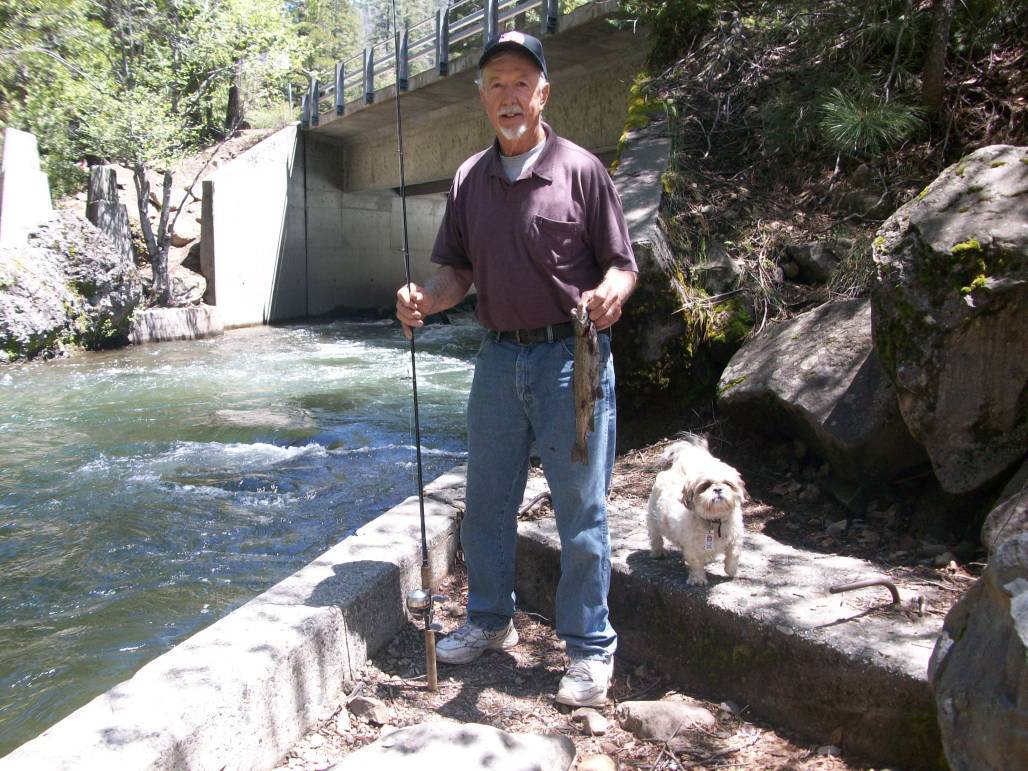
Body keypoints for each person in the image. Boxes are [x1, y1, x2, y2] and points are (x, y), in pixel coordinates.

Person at [395, 30, 637, 707]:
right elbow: (456, 274)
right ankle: (489, 620)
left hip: (573, 358)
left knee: (581, 510)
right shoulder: (469, 178)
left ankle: (590, 649)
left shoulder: (582, 169)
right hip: (498, 359)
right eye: (496, 83)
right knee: (487, 502)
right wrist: (425, 299)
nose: (510, 95)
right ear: (482, 96)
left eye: (521, 82)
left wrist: (615, 289)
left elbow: (622, 262)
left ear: (543, 93)